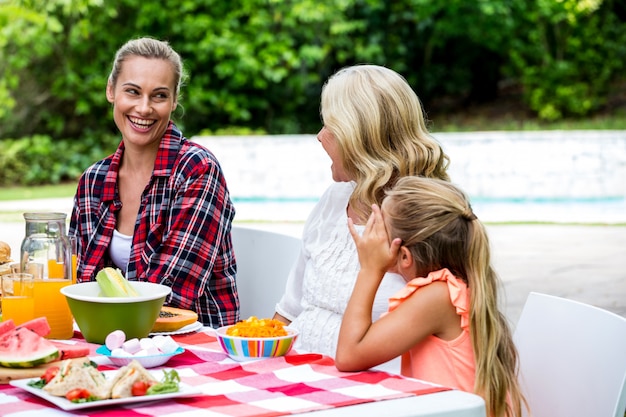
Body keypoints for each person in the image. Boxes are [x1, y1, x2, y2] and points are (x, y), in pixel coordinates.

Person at [273, 64, 450, 357]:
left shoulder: (429, 220)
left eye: (330, 125)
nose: (320, 136)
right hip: (298, 380)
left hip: (376, 392)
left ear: (360, 136)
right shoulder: (332, 201)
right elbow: (289, 313)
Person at [69, 37, 238, 327]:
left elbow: (168, 297)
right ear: (111, 91)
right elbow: (77, 284)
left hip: (196, 348)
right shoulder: (92, 182)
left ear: (174, 101)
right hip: (112, 339)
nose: (144, 108)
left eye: (158, 96)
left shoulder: (197, 170)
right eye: (132, 92)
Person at [335, 176, 527, 417]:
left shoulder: (439, 296)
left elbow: (349, 355)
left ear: (405, 256)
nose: (371, 235)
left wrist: (370, 269)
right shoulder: (454, 289)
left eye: (379, 227)